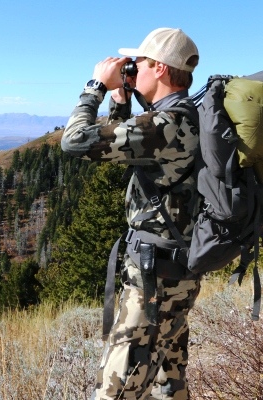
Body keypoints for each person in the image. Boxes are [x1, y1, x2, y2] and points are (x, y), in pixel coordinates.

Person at [61, 28, 201, 399]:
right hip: (176, 274)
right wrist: (122, 101)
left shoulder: (166, 125)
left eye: (138, 62)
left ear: (159, 68)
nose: (131, 68)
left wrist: (96, 86)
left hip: (153, 284)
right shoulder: (186, 117)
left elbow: (75, 141)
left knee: (115, 392)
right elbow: (126, 151)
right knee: (168, 386)